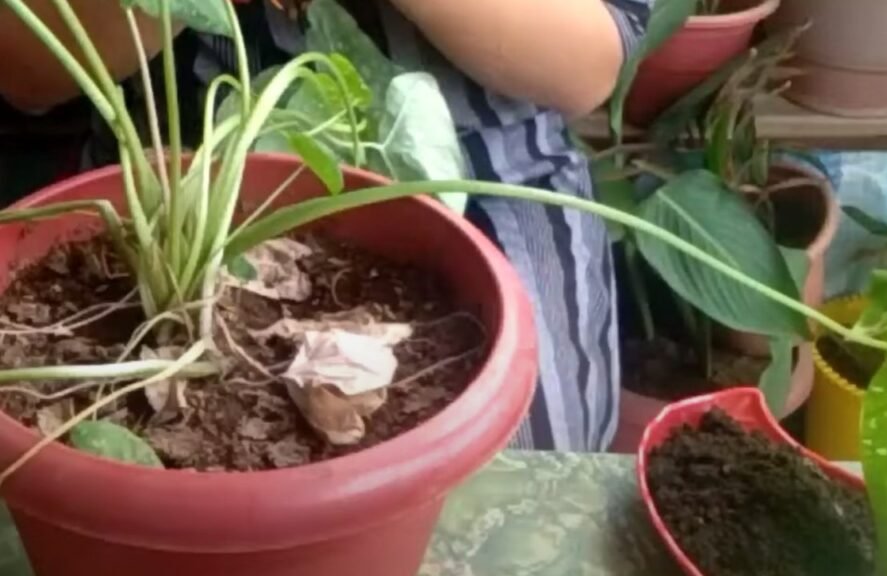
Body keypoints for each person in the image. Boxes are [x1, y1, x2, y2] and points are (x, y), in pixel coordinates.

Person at [193, 0, 651, 452]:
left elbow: (585, 66)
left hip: (496, 176)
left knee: (524, 460)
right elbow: (119, 53)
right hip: (250, 163)